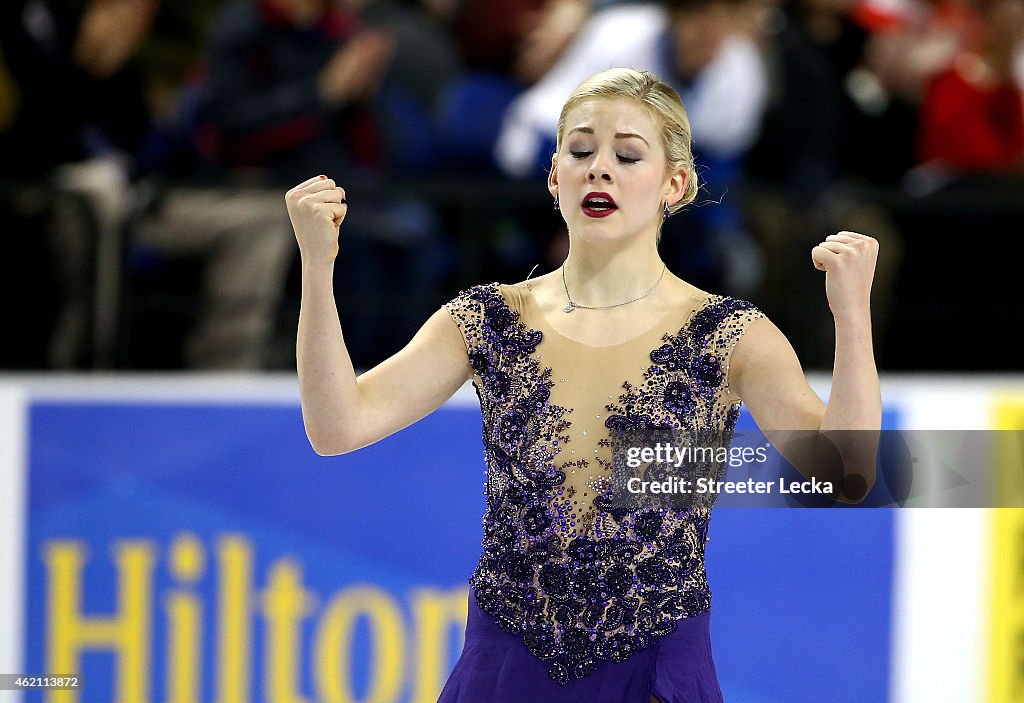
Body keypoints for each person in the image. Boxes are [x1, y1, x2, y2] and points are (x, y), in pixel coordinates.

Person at [288, 68, 880, 701]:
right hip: (507, 662)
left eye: (627, 154)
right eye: (580, 150)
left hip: (655, 667)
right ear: (554, 177)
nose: (599, 168)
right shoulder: (488, 319)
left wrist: (851, 315)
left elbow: (845, 475)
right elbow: (337, 426)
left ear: (673, 185)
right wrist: (317, 267)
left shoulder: (729, 336)